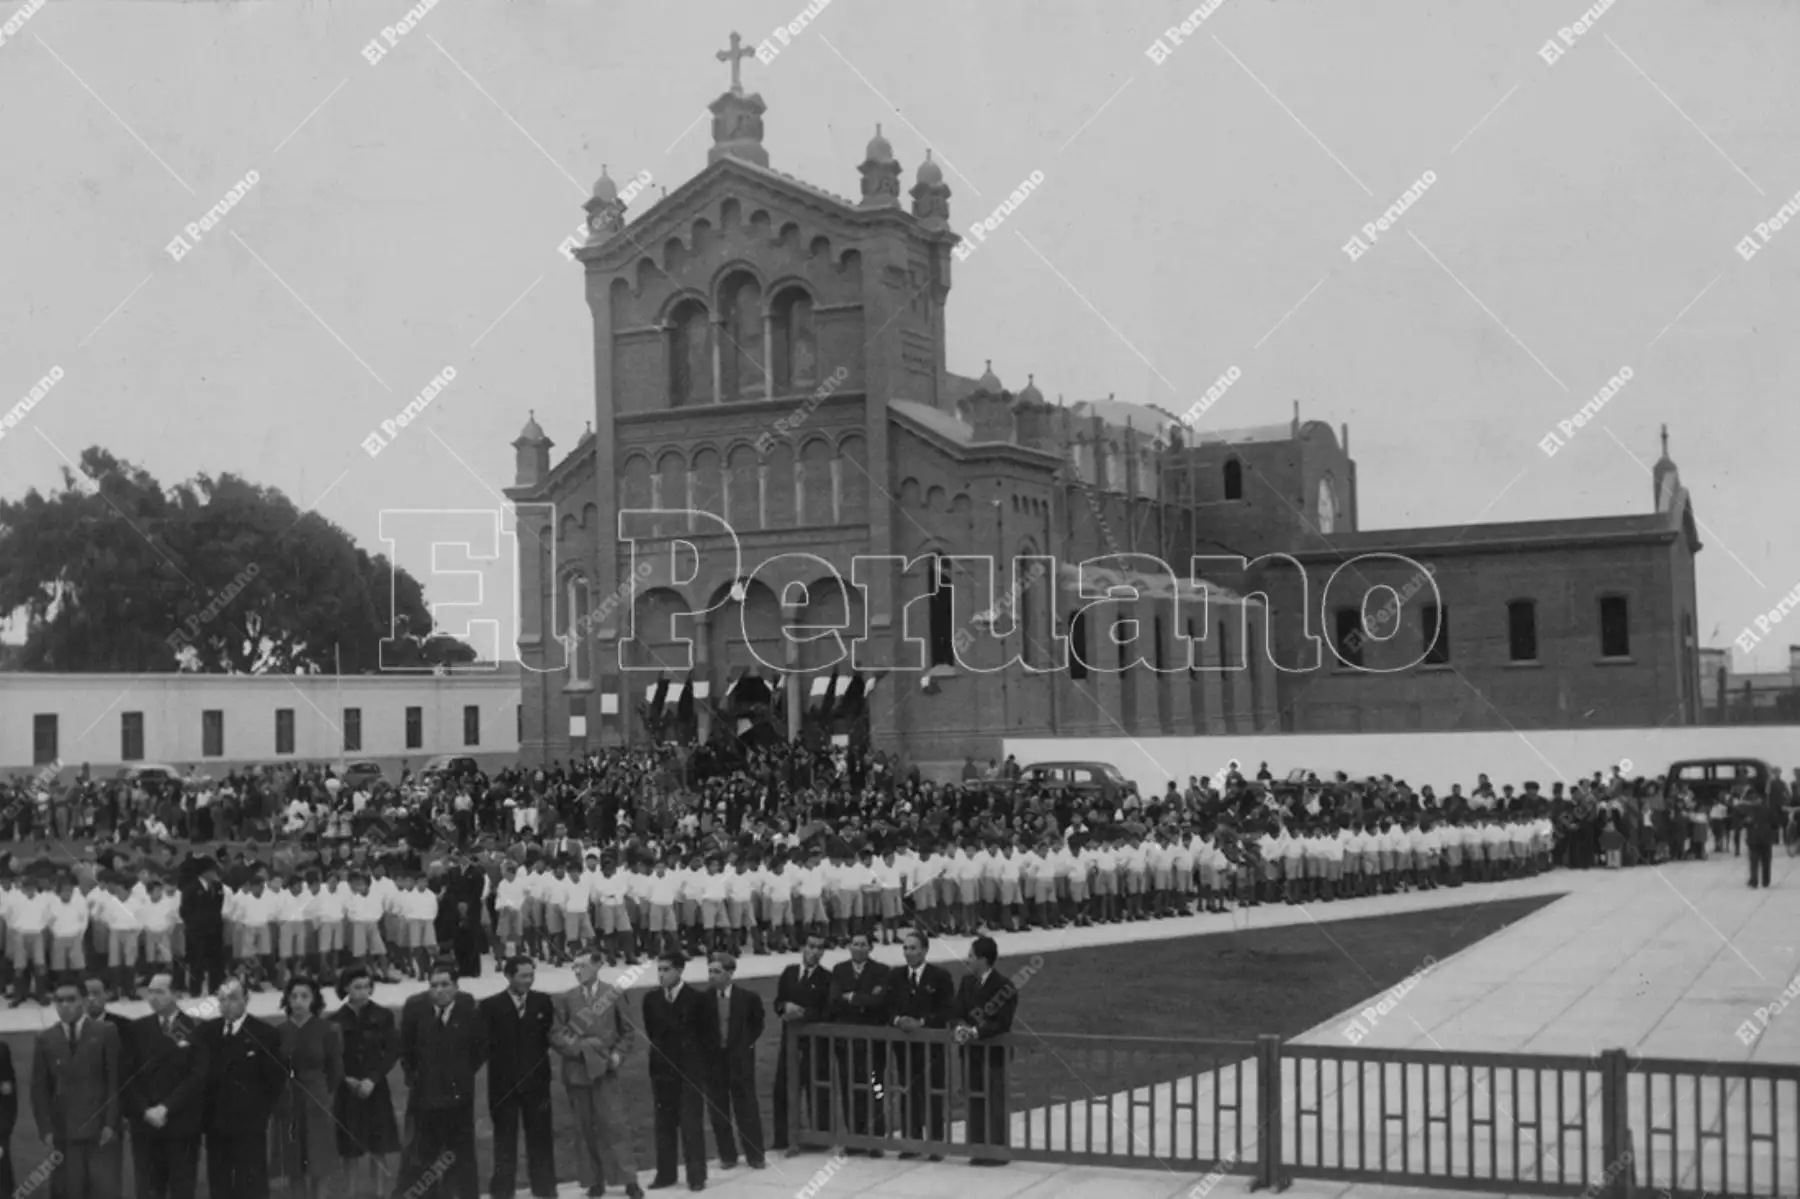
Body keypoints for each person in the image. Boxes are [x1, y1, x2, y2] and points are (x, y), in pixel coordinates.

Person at [552, 948, 644, 1199]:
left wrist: (616, 1056)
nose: (577, 971)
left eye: (582, 965)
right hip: (577, 1071)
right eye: (574, 967)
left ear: (596, 966)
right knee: (584, 1128)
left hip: (606, 1071)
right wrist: (585, 1049)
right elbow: (557, 1035)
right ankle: (594, 1181)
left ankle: (629, 1180)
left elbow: (627, 1031)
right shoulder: (567, 998)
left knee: (615, 1125)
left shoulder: (612, 994)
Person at [399, 959, 486, 1199]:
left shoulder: (468, 1006)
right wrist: (417, 1080)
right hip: (425, 1097)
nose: (439, 990)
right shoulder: (415, 1008)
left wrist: (462, 1075)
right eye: (434, 985)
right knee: (424, 1156)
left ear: (456, 987)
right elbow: (405, 1050)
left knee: (462, 1153)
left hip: (458, 1096)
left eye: (445, 984)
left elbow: (479, 1048)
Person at [31, 977, 121, 1199]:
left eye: (70, 999)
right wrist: (46, 1129)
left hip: (99, 1129)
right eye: (59, 1000)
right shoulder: (45, 1039)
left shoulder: (105, 1032)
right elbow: (39, 1089)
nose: (64, 1005)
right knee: (69, 1190)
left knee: (103, 1189)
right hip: (64, 1131)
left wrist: (110, 1123)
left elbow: (114, 1081)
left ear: (82, 1001)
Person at [479, 955, 559, 1199]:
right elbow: (482, 1046)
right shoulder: (490, 1006)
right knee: (504, 1140)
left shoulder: (543, 1002)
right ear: (509, 976)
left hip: (537, 1084)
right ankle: (502, 1192)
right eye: (523, 975)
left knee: (541, 1138)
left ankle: (545, 1190)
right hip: (504, 1086)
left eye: (531, 975)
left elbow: (552, 1037)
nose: (528, 980)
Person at [201, 976, 286, 1199]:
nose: (226, 1005)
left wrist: (259, 1114)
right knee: (219, 1183)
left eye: (233, 999)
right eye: (221, 1000)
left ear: (246, 999)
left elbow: (275, 1080)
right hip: (215, 1125)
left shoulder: (265, 1034)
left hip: (249, 1126)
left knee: (251, 1182)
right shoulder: (207, 1033)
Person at [127, 972, 208, 1199]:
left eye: (159, 992)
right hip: (146, 1128)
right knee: (149, 1190)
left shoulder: (195, 1028)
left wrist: (166, 1107)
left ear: (176, 995)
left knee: (182, 1189)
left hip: (181, 1126)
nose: (153, 997)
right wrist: (145, 1110)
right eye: (150, 992)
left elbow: (197, 1076)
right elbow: (128, 1076)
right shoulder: (137, 1030)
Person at [641, 950, 712, 1192]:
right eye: (659, 969)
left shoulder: (697, 999)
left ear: (680, 971)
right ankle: (666, 1174)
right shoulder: (650, 999)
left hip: (689, 1070)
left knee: (691, 1123)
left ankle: (696, 1175)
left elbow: (706, 1036)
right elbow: (652, 1033)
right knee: (664, 1123)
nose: (661, 974)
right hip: (661, 1070)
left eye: (666, 969)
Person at [331, 964, 401, 1199]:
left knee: (378, 1147)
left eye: (366, 987)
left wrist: (372, 1079)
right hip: (347, 1091)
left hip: (376, 1088)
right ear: (346, 989)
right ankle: (349, 1194)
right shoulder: (335, 1021)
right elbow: (332, 1057)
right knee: (349, 1150)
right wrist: (347, 1079)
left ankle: (380, 1194)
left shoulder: (383, 1016)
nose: (362, 992)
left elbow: (391, 1050)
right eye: (356, 987)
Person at [272, 975, 344, 1199]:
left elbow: (335, 1069)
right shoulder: (280, 1031)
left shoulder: (327, 1029)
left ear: (314, 999)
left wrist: (324, 1094)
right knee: (293, 1158)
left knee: (318, 1158)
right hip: (289, 1100)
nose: (299, 1001)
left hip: (317, 1098)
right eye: (293, 996)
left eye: (304, 996)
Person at [886, 930, 955, 1159]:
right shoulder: (895, 976)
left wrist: (922, 1023)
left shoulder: (940, 976)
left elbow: (947, 1009)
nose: (908, 953)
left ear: (925, 950)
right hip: (904, 1047)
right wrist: (899, 1020)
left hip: (931, 1048)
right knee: (907, 1092)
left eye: (913, 948)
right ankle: (911, 1141)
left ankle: (935, 1144)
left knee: (933, 1093)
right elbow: (886, 1006)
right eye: (905, 948)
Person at [953, 936, 1017, 1167]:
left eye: (971, 955)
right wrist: (960, 1025)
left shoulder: (1004, 986)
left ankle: (997, 1150)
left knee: (994, 1101)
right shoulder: (967, 982)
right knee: (975, 1099)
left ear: (983, 959)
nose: (967, 959)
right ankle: (978, 1148)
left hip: (994, 1054)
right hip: (971, 1054)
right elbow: (957, 1009)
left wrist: (976, 1032)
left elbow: (1002, 1021)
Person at [827, 932, 890, 1155]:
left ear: (870, 948)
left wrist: (853, 998)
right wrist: (863, 999)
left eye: (863, 944)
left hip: (873, 1045)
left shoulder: (881, 971)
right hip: (847, 1044)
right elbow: (835, 1000)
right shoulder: (840, 970)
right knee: (849, 1088)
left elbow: (879, 1001)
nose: (858, 947)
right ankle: (855, 1137)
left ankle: (876, 1139)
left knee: (875, 1088)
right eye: (855, 943)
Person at [771, 932, 832, 1156]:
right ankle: (783, 1137)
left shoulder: (827, 978)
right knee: (783, 1087)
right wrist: (784, 1007)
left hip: (815, 1043)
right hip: (790, 1041)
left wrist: (803, 1013)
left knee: (816, 1087)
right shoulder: (789, 973)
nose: (815, 951)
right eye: (811, 946)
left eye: (819, 948)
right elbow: (778, 1001)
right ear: (804, 948)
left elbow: (828, 1009)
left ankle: (819, 1136)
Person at [704, 952, 766, 1170]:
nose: (712, 976)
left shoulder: (748, 998)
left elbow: (757, 1025)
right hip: (714, 1063)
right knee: (718, 1110)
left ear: (730, 973)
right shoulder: (704, 1000)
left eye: (717, 972)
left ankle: (755, 1155)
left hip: (739, 1061)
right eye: (710, 971)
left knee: (746, 1108)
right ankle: (727, 1156)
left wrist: (744, 1045)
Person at [82, 971, 137, 1197]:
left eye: (97, 993)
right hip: (78, 1115)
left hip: (111, 1113)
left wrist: (124, 1112)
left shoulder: (124, 1027)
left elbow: (130, 1073)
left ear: (107, 994)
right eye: (87, 994)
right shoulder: (69, 1028)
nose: (92, 999)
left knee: (109, 1173)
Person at [178, 857, 226, 997]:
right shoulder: (190, 888)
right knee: (196, 962)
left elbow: (218, 906)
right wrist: (196, 925)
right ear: (204, 872)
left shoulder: (218, 887)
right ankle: (195, 990)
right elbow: (185, 911)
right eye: (212, 871)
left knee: (216, 962)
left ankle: (215, 988)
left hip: (215, 930)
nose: (214, 873)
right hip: (197, 932)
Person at [1744, 785, 1778, 889]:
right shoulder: (1767, 809)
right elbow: (1775, 823)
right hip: (1766, 838)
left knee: (1754, 861)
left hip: (1753, 838)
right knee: (1766, 860)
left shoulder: (1748, 810)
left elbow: (1743, 823)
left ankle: (1754, 881)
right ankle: (1766, 881)